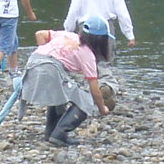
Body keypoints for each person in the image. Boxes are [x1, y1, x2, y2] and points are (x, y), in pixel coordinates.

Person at [21, 16, 112, 145]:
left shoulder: (67, 35)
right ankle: (60, 134)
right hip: (50, 68)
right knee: (86, 99)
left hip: (32, 65)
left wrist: (44, 51)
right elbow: (94, 88)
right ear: (102, 41)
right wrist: (102, 108)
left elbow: (39, 34)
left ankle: (51, 132)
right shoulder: (88, 55)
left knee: (58, 93)